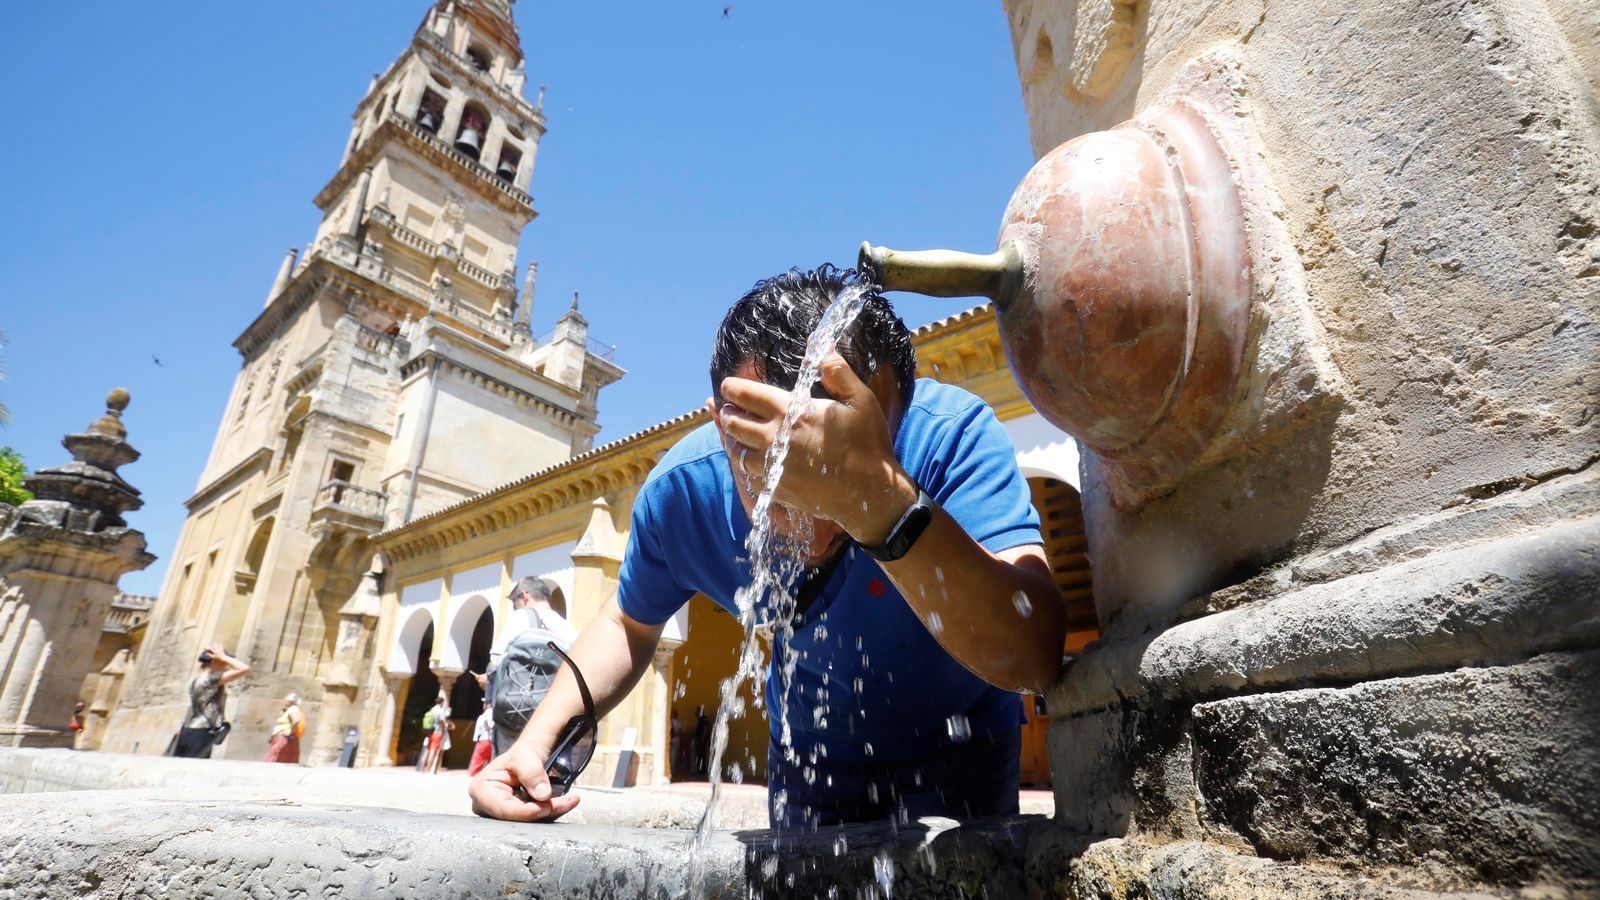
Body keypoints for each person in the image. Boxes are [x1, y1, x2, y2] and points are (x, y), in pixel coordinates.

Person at [469, 265, 1065, 827]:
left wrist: (883, 504)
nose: (813, 509)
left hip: (965, 744)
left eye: (842, 462)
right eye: (776, 466)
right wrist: (535, 743)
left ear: (896, 414)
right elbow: (629, 621)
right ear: (723, 422)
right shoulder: (683, 495)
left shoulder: (951, 437)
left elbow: (1034, 652)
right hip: (810, 758)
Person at [474, 576, 579, 692]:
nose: (515, 609)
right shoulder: (568, 628)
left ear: (524, 596)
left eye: (515, 605)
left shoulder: (520, 616)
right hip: (555, 698)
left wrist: (489, 679)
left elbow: (496, 661)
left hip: (520, 698)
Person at [174, 644, 250, 759]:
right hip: (201, 732)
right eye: (224, 663)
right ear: (215, 660)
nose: (226, 666)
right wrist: (223, 656)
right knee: (193, 770)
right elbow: (244, 669)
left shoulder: (197, 679)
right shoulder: (211, 679)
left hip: (189, 730)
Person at [264, 693, 304, 764]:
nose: (284, 701)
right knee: (287, 759)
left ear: (290, 701)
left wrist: (290, 733)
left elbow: (296, 720)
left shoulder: (292, 709)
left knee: (273, 756)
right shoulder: (290, 709)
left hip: (285, 736)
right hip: (286, 736)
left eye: (286, 699)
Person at [420, 693, 451, 774]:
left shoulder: (432, 710)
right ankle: (429, 769)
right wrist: (444, 730)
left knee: (427, 750)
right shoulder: (440, 711)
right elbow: (443, 722)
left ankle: (422, 768)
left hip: (429, 732)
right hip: (437, 733)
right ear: (441, 703)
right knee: (433, 751)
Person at [469, 701, 495, 776]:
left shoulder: (488, 712)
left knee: (478, 759)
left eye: (485, 703)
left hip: (483, 739)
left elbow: (489, 724)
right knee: (490, 760)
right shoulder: (493, 713)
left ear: (488, 704)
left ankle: (474, 775)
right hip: (490, 740)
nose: (483, 705)